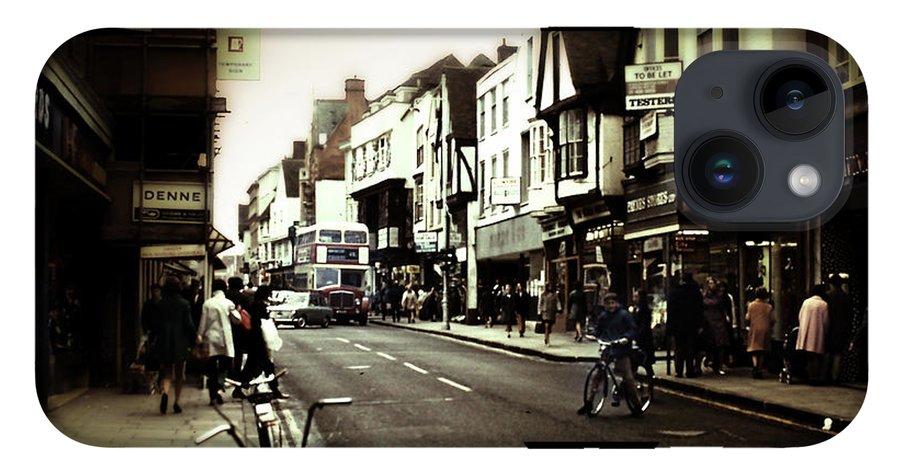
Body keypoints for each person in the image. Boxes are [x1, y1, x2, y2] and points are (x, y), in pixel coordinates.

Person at [577, 293, 641, 416]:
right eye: (608, 303)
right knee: (597, 375)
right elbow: (599, 330)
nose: (610, 306)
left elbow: (633, 329)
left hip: (621, 349)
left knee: (628, 377)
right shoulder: (603, 316)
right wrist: (593, 335)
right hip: (608, 348)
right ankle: (589, 402)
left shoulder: (624, 315)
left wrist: (626, 338)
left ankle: (637, 405)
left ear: (617, 303)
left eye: (613, 303)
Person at [236, 285, 287, 399]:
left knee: (254, 366)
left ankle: (239, 389)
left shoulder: (254, 304)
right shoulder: (259, 306)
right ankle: (275, 390)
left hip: (254, 341)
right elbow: (260, 324)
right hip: (258, 341)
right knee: (265, 366)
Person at [154, 276, 196, 414]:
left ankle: (165, 392)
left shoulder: (160, 304)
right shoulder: (184, 304)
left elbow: (156, 325)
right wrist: (195, 337)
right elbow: (189, 324)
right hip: (180, 341)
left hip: (164, 341)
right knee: (179, 373)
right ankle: (176, 402)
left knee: (167, 372)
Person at [196, 279, 236, 405]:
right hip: (225, 338)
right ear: (224, 289)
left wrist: (199, 335)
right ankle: (219, 386)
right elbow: (238, 321)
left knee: (211, 367)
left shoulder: (207, 304)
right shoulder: (229, 303)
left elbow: (203, 321)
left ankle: (212, 393)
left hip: (210, 338)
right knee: (225, 366)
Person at [666, 273, 704, 378]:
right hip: (691, 324)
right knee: (690, 348)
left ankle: (678, 371)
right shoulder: (695, 292)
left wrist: (670, 326)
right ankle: (690, 370)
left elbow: (671, 311)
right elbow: (700, 310)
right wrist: (700, 325)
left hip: (678, 325)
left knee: (679, 348)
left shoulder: (674, 292)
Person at [796, 284, 829, 385]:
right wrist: (825, 331)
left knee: (809, 356)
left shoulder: (806, 302)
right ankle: (816, 377)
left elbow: (800, 316)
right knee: (816, 356)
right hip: (817, 332)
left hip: (806, 331)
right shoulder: (823, 304)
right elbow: (826, 320)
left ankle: (810, 377)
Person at [824, 274, 852, 384]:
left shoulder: (827, 296)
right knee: (838, 354)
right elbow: (850, 315)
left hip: (829, 327)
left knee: (827, 352)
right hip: (841, 328)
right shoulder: (846, 297)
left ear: (831, 284)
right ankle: (835, 377)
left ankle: (825, 375)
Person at [701, 276, 731, 375]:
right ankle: (710, 360)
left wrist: (727, 316)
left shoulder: (720, 295)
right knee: (710, 343)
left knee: (720, 344)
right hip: (708, 321)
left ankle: (720, 365)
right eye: (709, 283)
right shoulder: (704, 295)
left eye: (713, 283)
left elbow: (724, 308)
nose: (711, 285)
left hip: (719, 320)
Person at [745, 286, 775, 379]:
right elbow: (773, 319)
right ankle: (759, 369)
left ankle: (754, 366)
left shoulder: (751, 305)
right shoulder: (769, 307)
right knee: (762, 350)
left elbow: (747, 318)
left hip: (754, 328)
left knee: (754, 349)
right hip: (765, 329)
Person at [226, 277, 250, 389]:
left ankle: (228, 372)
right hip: (240, 328)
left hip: (227, 327)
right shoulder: (244, 297)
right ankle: (236, 373)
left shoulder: (226, 296)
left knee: (227, 351)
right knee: (238, 351)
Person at [631, 289, 655, 372]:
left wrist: (636, 337)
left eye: (636, 297)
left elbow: (644, 326)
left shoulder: (645, 310)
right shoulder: (635, 309)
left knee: (646, 363)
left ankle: (651, 380)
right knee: (634, 362)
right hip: (637, 340)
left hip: (644, 340)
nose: (634, 299)